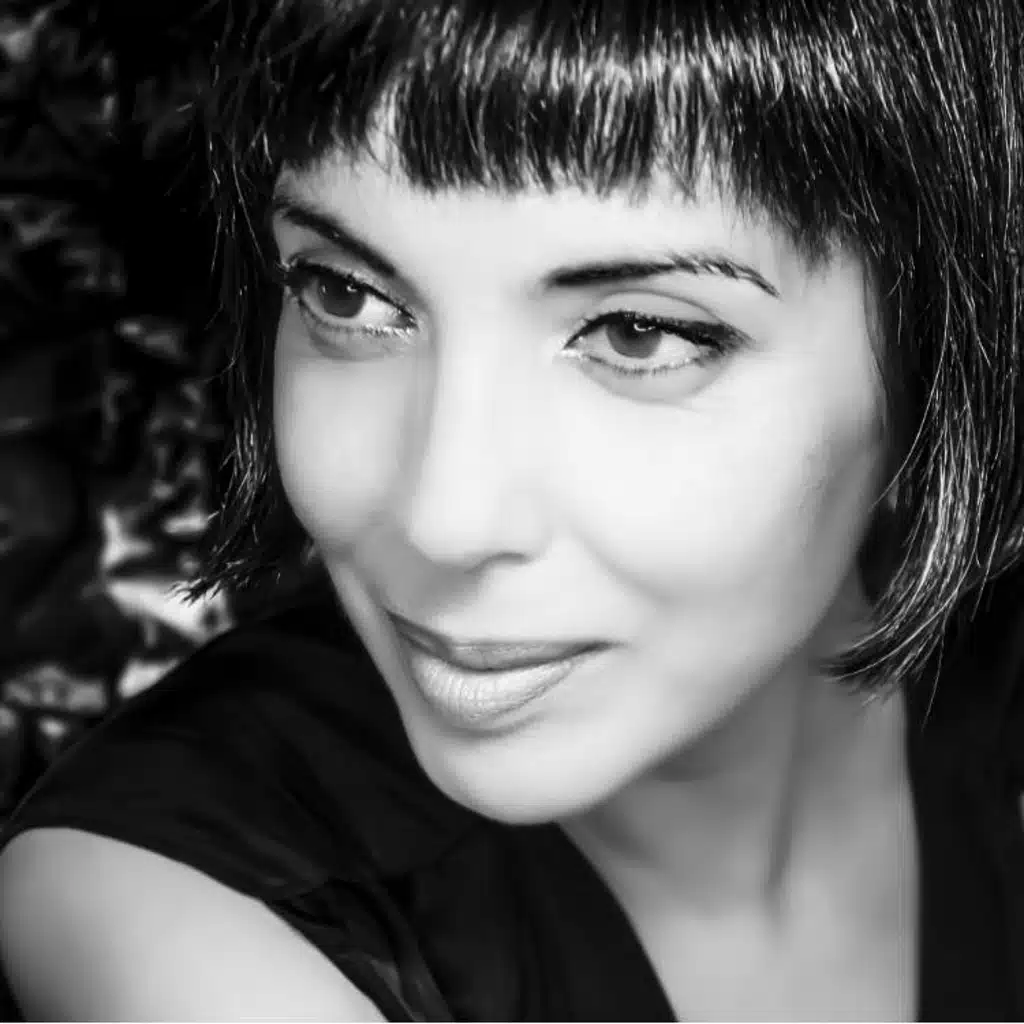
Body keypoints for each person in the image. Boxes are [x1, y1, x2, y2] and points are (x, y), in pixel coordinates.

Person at [1, 0, 1023, 1018]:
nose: (442, 520)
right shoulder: (162, 920)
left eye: (635, 333)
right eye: (346, 295)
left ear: (934, 352)